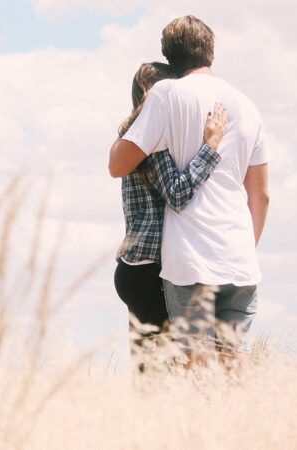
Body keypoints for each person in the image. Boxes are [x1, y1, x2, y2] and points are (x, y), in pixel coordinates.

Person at [109, 16, 270, 367]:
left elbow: (119, 166)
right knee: (234, 360)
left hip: (189, 260)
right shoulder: (247, 104)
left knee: (187, 367)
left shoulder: (166, 97)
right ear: (211, 49)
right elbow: (261, 196)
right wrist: (244, 245)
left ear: (170, 56)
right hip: (238, 256)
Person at [113, 61, 229, 365]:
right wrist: (210, 148)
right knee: (167, 375)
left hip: (134, 266)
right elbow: (177, 194)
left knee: (149, 374)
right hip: (153, 270)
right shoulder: (153, 141)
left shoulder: (130, 137)